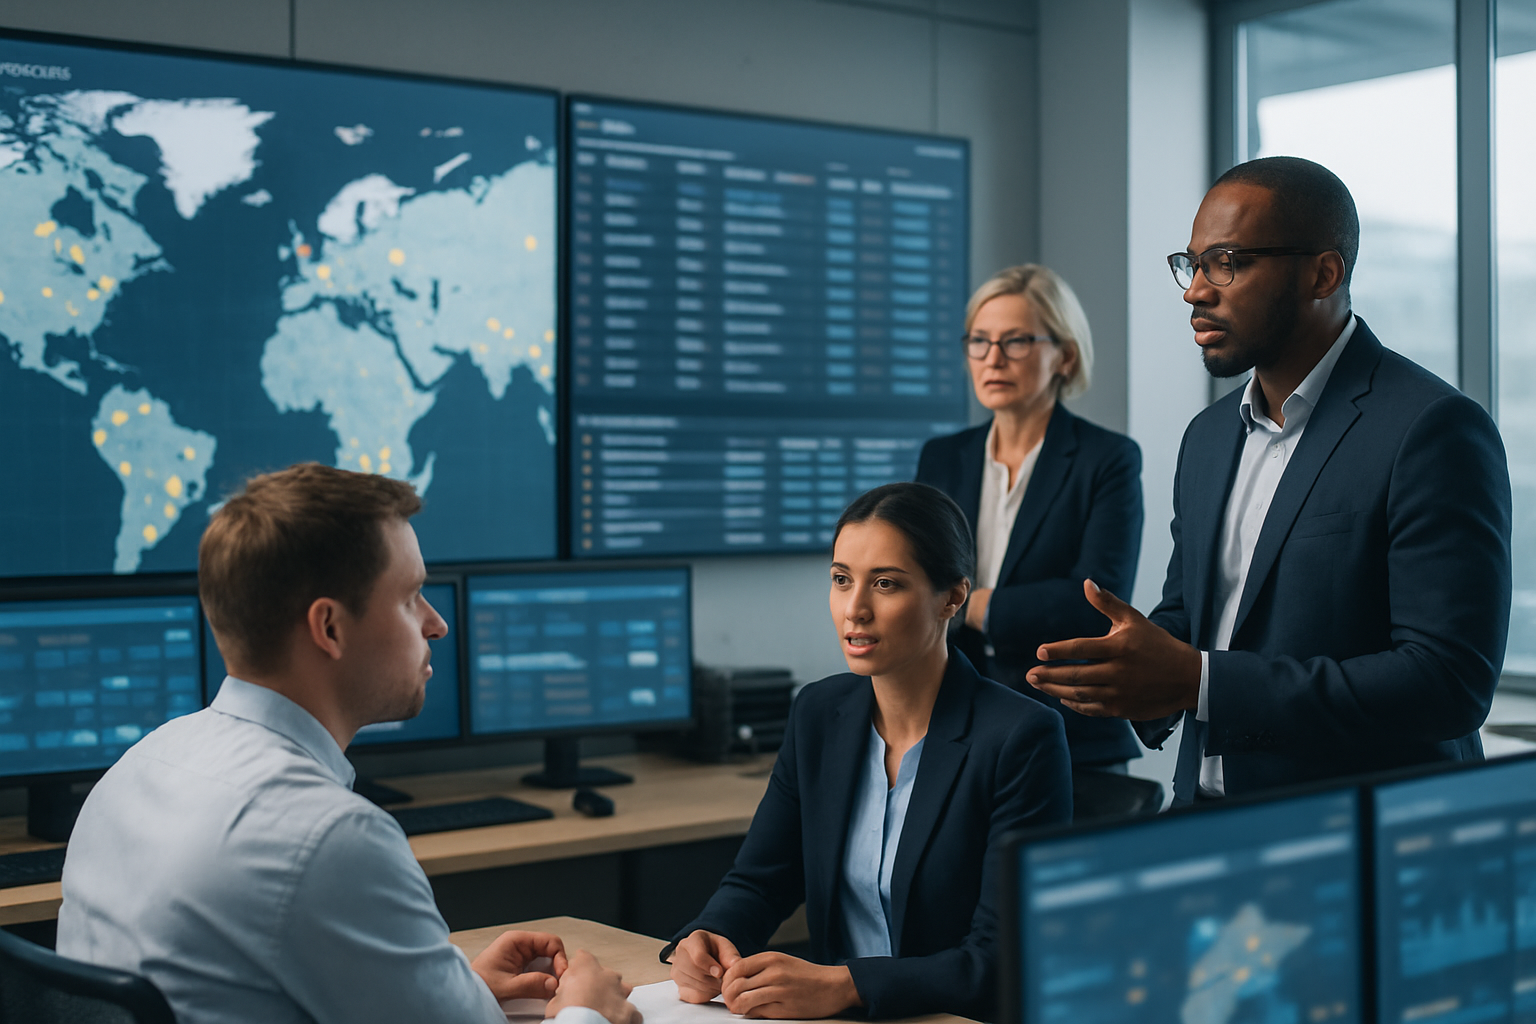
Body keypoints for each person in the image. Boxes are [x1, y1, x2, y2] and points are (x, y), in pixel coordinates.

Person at [56, 463, 639, 1024]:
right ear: (329, 628)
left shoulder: (138, 767)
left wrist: (449, 985)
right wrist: (587, 1010)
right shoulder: (328, 837)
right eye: (411, 596)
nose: (436, 623)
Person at [1025, 156, 1512, 804]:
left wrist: (1198, 682)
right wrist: (1131, 670)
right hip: (1204, 819)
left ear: (1323, 272)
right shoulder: (1207, 437)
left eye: (1227, 262)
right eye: (1191, 263)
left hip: (1353, 841)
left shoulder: (1431, 429)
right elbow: (1195, 612)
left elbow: (1448, 684)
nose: (1196, 290)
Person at [664, 482, 1072, 1021]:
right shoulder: (818, 713)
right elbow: (762, 880)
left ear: (953, 597)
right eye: (840, 580)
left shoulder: (1020, 737)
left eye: (885, 584)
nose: (854, 609)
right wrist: (709, 936)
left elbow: (999, 957)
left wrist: (848, 984)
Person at [916, 264, 1144, 770]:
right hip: (952, 724)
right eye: (979, 341)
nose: (992, 359)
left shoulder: (1106, 459)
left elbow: (1094, 603)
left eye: (1015, 341)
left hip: (1068, 732)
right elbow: (915, 587)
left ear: (1063, 356)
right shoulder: (941, 458)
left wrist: (973, 605)